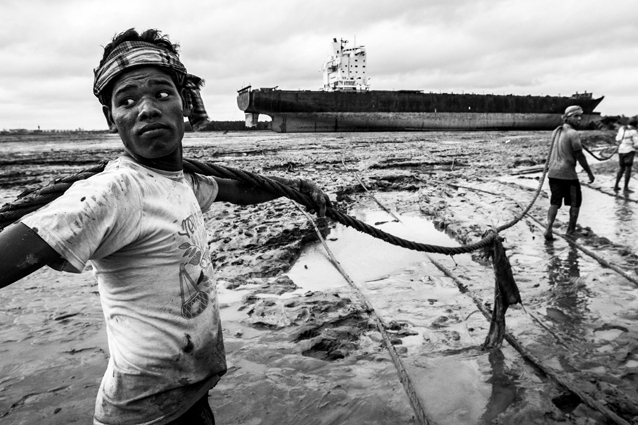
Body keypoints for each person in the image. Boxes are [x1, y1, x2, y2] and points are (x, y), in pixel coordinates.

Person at [0, 28, 329, 425]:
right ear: (111, 118)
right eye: (127, 100)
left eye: (161, 94)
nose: (147, 109)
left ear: (183, 104)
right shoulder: (114, 191)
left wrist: (294, 189)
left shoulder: (180, 182)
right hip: (144, 414)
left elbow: (235, 189)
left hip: (189, 397)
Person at [544, 105, 595, 240]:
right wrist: (589, 173)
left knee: (555, 202)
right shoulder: (573, 134)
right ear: (567, 118)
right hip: (568, 175)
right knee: (575, 202)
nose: (579, 119)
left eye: (580, 116)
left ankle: (548, 228)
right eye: (576, 116)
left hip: (553, 173)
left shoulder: (556, 131)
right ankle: (570, 231)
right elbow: (580, 156)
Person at [614, 119, 638, 192]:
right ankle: (625, 188)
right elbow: (637, 144)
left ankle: (616, 185)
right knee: (628, 169)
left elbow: (617, 139)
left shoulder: (622, 129)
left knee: (621, 168)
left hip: (621, 150)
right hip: (629, 150)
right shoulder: (634, 132)